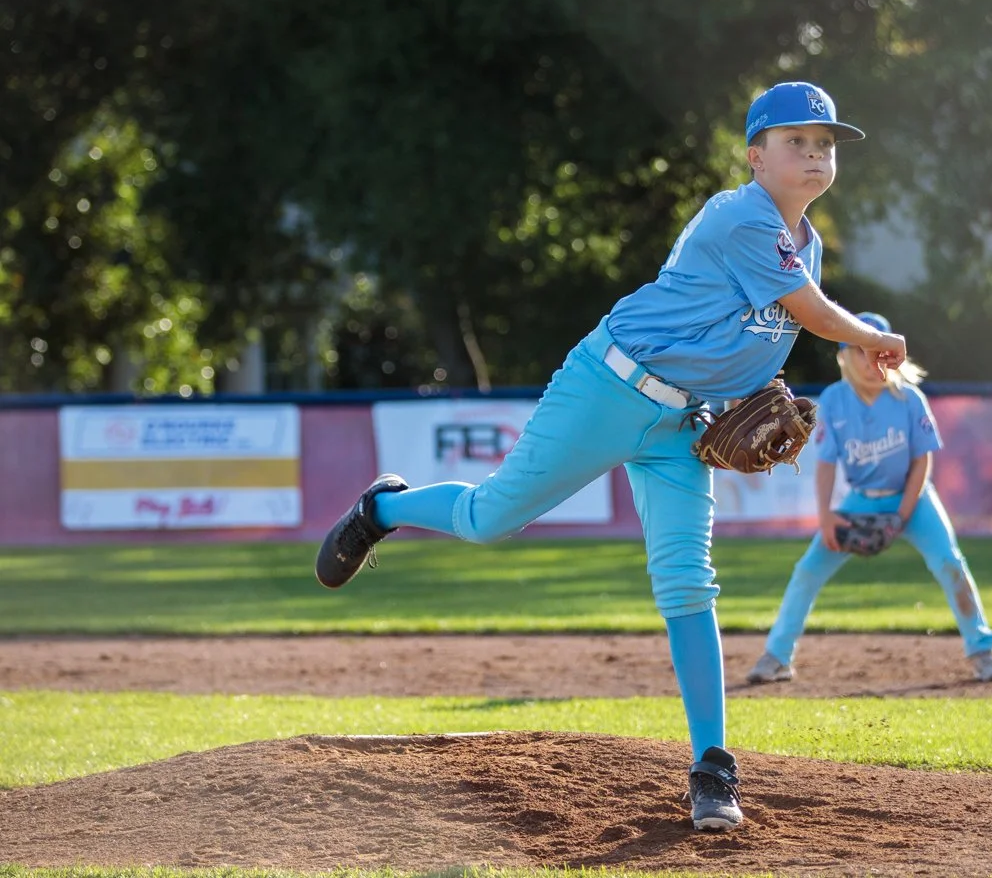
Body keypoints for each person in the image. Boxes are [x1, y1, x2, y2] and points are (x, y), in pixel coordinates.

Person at [314, 82, 906, 833]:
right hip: (608, 388)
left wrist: (742, 406)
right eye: (797, 140)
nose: (816, 154)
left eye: (825, 144)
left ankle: (712, 766)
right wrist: (873, 339)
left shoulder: (807, 245)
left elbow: (764, 349)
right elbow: (814, 317)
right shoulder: (739, 215)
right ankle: (383, 507)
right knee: (490, 517)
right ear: (756, 155)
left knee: (689, 583)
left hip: (682, 424)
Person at [746, 311, 992, 687]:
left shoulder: (908, 398)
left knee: (950, 562)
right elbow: (825, 466)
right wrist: (825, 518)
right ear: (845, 356)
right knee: (808, 570)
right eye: (862, 350)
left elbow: (923, 460)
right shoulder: (836, 401)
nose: (873, 360)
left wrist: (902, 514)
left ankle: (983, 651)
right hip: (860, 499)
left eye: (880, 350)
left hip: (914, 499)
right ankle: (777, 656)